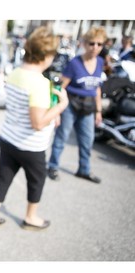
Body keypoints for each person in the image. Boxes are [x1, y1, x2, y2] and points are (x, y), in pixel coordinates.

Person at [0, 27, 68, 231]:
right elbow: (37, 123)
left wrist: (51, 114)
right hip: (30, 146)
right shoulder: (39, 83)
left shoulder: (15, 73)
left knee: (3, 177)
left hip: (8, 138)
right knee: (36, 182)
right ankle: (31, 217)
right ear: (46, 55)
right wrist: (60, 106)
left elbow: (23, 108)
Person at [47, 26, 107, 184]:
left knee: (88, 140)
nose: (95, 47)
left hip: (88, 107)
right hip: (71, 105)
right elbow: (62, 86)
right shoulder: (75, 63)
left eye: (99, 44)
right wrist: (57, 110)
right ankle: (52, 166)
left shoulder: (100, 62)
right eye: (92, 43)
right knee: (62, 137)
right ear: (85, 44)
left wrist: (98, 111)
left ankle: (84, 170)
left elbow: (97, 88)